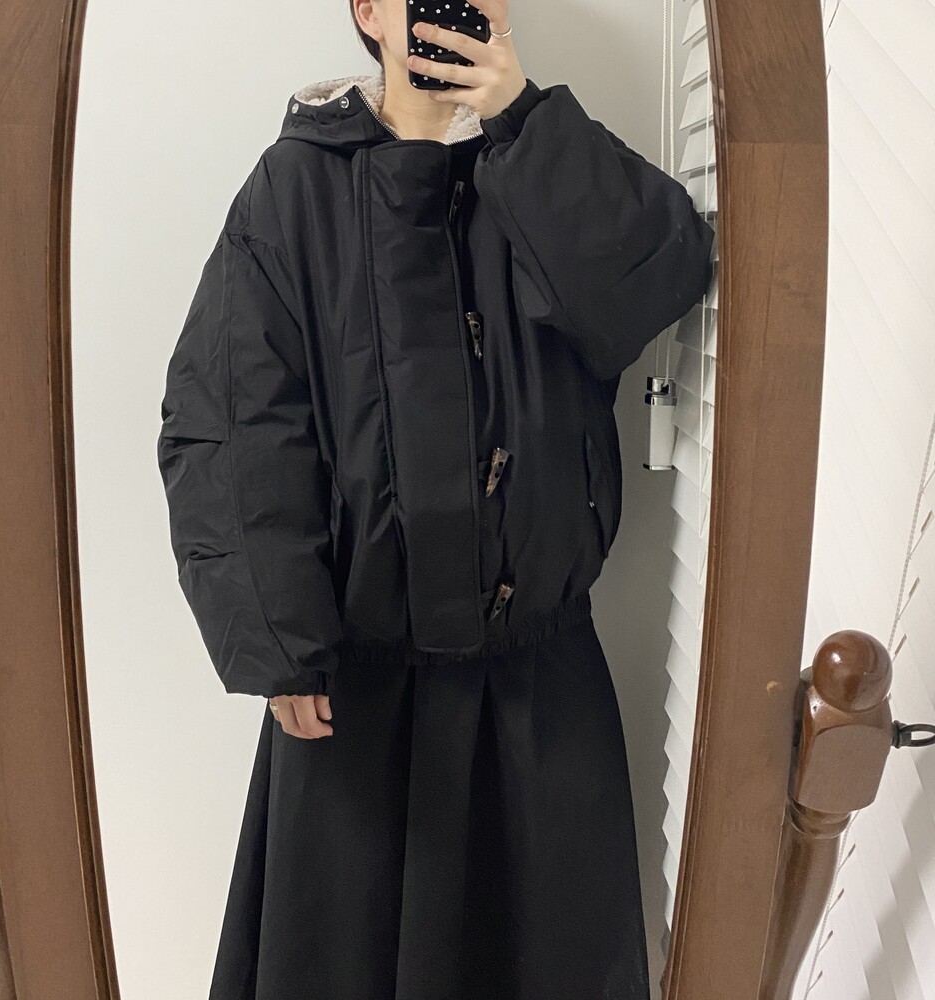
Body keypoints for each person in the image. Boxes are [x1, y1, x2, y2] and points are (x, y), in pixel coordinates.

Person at [156, 0, 715, 996]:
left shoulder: (539, 161)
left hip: (540, 687)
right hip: (357, 690)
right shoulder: (295, 187)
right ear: (369, 12)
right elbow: (232, 417)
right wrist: (278, 639)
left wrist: (523, 121)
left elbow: (656, 276)